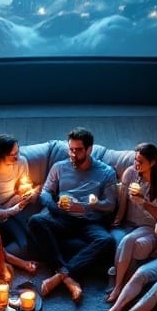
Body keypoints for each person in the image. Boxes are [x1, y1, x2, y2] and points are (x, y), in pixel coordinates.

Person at [27, 127, 117, 302]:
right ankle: (67, 278)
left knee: (107, 241)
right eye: (71, 149)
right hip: (62, 217)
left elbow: (110, 205)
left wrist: (83, 208)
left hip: (89, 221)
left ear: (89, 149)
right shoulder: (59, 167)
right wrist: (55, 207)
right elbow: (45, 192)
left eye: (78, 150)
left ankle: (60, 275)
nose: (73, 154)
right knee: (35, 221)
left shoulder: (106, 172)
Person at [107, 144, 157, 303]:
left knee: (128, 241)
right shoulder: (130, 173)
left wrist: (144, 202)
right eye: (135, 159)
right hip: (130, 225)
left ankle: (118, 285)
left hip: (152, 228)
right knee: (132, 244)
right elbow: (123, 202)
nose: (136, 164)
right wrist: (117, 221)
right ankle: (125, 284)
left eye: (140, 161)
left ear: (153, 162)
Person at [0, 134, 41, 255]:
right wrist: (12, 208)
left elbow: (24, 185)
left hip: (19, 204)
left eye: (17, 152)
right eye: (12, 155)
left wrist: (28, 193)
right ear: (0, 154)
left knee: (39, 231)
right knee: (24, 243)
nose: (17, 157)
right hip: (2, 214)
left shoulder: (21, 162)